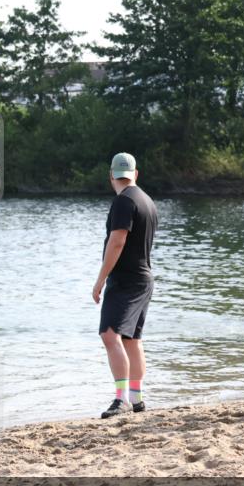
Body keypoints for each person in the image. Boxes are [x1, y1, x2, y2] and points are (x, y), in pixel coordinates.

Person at [92, 153, 158, 419]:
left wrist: (101, 278)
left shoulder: (123, 201)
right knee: (132, 339)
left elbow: (117, 241)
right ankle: (136, 398)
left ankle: (121, 400)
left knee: (110, 334)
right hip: (143, 278)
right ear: (135, 174)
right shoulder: (147, 201)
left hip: (127, 280)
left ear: (111, 176)